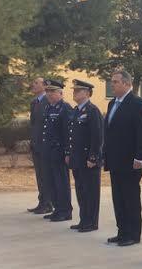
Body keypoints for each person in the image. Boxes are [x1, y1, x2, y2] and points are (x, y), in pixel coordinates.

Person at [103, 70, 142, 246]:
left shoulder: (137, 104)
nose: (112, 85)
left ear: (126, 83)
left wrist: (141, 157)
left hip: (131, 161)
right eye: (112, 81)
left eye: (115, 82)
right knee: (118, 197)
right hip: (115, 160)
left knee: (130, 197)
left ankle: (133, 234)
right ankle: (122, 231)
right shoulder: (112, 104)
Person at [66, 80, 104, 233]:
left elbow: (97, 136)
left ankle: (91, 222)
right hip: (77, 158)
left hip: (88, 160)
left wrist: (93, 157)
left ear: (87, 93)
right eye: (74, 90)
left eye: (78, 90)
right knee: (81, 191)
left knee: (91, 192)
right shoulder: (76, 111)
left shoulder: (92, 111)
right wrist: (69, 153)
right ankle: (83, 220)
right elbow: (72, 135)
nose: (74, 93)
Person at [42, 79, 73, 223]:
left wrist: (67, 152)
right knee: (52, 181)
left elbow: (68, 132)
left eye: (52, 91)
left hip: (60, 152)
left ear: (60, 93)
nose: (49, 94)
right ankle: (57, 209)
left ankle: (65, 211)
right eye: (47, 91)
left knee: (61, 182)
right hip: (49, 151)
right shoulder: (49, 108)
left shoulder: (65, 108)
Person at [27, 77, 52, 214]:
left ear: (44, 86)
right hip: (36, 144)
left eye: (36, 83)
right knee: (40, 176)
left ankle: (48, 203)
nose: (33, 85)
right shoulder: (34, 102)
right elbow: (34, 124)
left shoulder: (48, 101)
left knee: (46, 175)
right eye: (34, 82)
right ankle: (42, 201)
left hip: (45, 145)